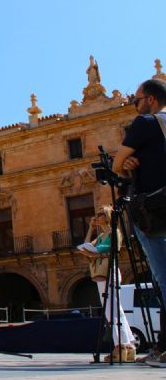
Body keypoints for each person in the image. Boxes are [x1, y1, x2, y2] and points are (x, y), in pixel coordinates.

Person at [113, 79, 166, 365]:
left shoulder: (145, 123)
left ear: (151, 100)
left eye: (137, 100)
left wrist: (127, 161)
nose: (134, 106)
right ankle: (162, 346)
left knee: (163, 279)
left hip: (155, 212)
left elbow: (116, 164)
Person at [79, 206, 135, 362]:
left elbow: (114, 251)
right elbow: (85, 247)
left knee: (113, 309)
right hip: (101, 273)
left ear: (108, 216)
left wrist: (95, 254)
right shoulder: (102, 235)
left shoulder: (114, 232)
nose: (96, 217)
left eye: (100, 214)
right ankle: (128, 346)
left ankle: (121, 346)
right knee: (112, 308)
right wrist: (90, 229)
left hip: (110, 271)